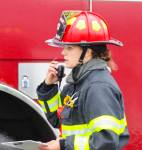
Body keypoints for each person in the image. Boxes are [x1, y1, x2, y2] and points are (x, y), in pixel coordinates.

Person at [36, 11, 129, 150]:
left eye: (69, 48)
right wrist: (48, 87)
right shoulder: (77, 83)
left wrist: (62, 145)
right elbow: (57, 120)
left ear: (88, 52)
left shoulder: (98, 88)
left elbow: (106, 142)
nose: (63, 53)